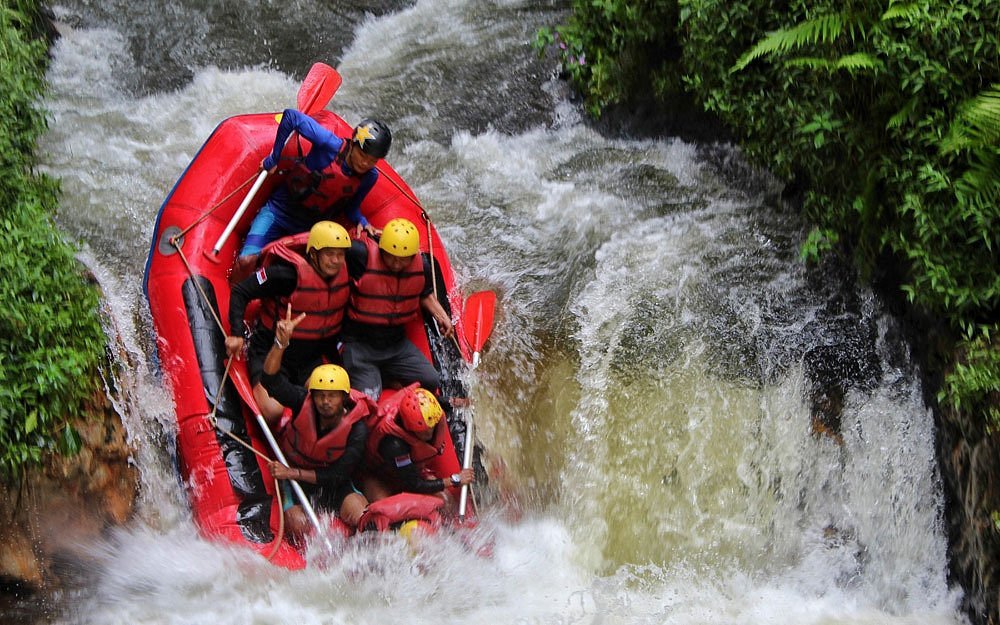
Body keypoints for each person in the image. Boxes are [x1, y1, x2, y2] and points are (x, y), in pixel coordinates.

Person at [261, 309, 378, 537]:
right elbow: (270, 381)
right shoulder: (301, 400)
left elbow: (338, 475)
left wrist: (292, 472)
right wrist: (280, 344)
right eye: (320, 395)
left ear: (344, 397)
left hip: (329, 480)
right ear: (312, 395)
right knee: (297, 525)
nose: (325, 402)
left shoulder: (357, 427)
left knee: (363, 517)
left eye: (332, 396)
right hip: (294, 479)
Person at [227, 220, 351, 420]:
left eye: (339, 255)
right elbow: (241, 291)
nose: (336, 261)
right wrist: (237, 334)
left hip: (310, 357)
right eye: (329, 254)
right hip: (271, 349)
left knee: (330, 406)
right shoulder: (285, 275)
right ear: (313, 255)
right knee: (272, 411)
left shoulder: (347, 269)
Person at [238, 111, 392, 260]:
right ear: (353, 144)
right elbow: (291, 117)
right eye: (363, 156)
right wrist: (274, 159)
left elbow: (351, 209)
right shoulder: (329, 144)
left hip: (310, 230)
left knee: (300, 278)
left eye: (372, 161)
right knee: (246, 261)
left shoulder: (370, 177)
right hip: (278, 212)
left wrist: (362, 221)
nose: (365, 163)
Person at [341, 217, 454, 400]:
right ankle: (379, 377)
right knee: (368, 398)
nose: (396, 264)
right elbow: (332, 254)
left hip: (396, 345)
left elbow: (424, 294)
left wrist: (442, 316)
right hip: (360, 344)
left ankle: (386, 375)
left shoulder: (421, 265)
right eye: (391, 257)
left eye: (403, 260)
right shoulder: (360, 255)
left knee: (431, 380)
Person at [360, 385, 473, 505]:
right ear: (409, 428)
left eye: (432, 427)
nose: (430, 433)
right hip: (379, 473)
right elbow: (413, 484)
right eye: (424, 432)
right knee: (386, 507)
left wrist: (461, 402)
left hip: (412, 468)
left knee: (447, 501)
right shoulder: (394, 445)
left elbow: (438, 401)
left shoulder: (429, 409)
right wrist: (455, 479)